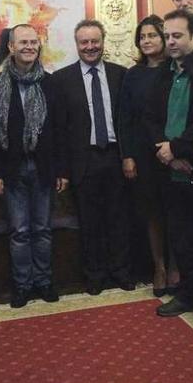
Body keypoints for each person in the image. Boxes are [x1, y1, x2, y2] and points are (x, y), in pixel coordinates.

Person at [145, 9, 193, 335]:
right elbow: (148, 119)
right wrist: (166, 154)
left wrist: (178, 150)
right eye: (168, 36)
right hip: (169, 171)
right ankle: (188, 293)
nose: (171, 41)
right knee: (181, 238)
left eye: (178, 35)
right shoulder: (162, 72)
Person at [52, 19, 134, 295]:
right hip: (83, 161)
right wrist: (62, 169)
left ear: (103, 41)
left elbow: (128, 121)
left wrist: (129, 156)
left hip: (115, 157)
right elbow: (59, 130)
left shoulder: (121, 75)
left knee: (120, 220)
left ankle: (121, 272)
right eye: (84, 42)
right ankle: (95, 276)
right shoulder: (61, 80)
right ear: (76, 45)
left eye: (95, 41)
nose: (90, 47)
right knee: (90, 223)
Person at [0, 24, 62, 308]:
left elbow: (59, 130)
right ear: (11, 47)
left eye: (34, 42)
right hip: (11, 169)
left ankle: (44, 281)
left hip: (43, 169)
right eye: (23, 43)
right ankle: (22, 285)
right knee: (18, 231)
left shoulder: (50, 83)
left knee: (42, 229)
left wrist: (61, 171)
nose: (29, 47)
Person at [118, 15, 177, 297]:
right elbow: (125, 119)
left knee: (175, 213)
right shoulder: (133, 74)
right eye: (143, 37)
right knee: (152, 212)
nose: (147, 41)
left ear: (164, 38)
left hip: (174, 151)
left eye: (153, 35)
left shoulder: (176, 70)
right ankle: (160, 267)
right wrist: (127, 156)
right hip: (142, 153)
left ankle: (179, 266)